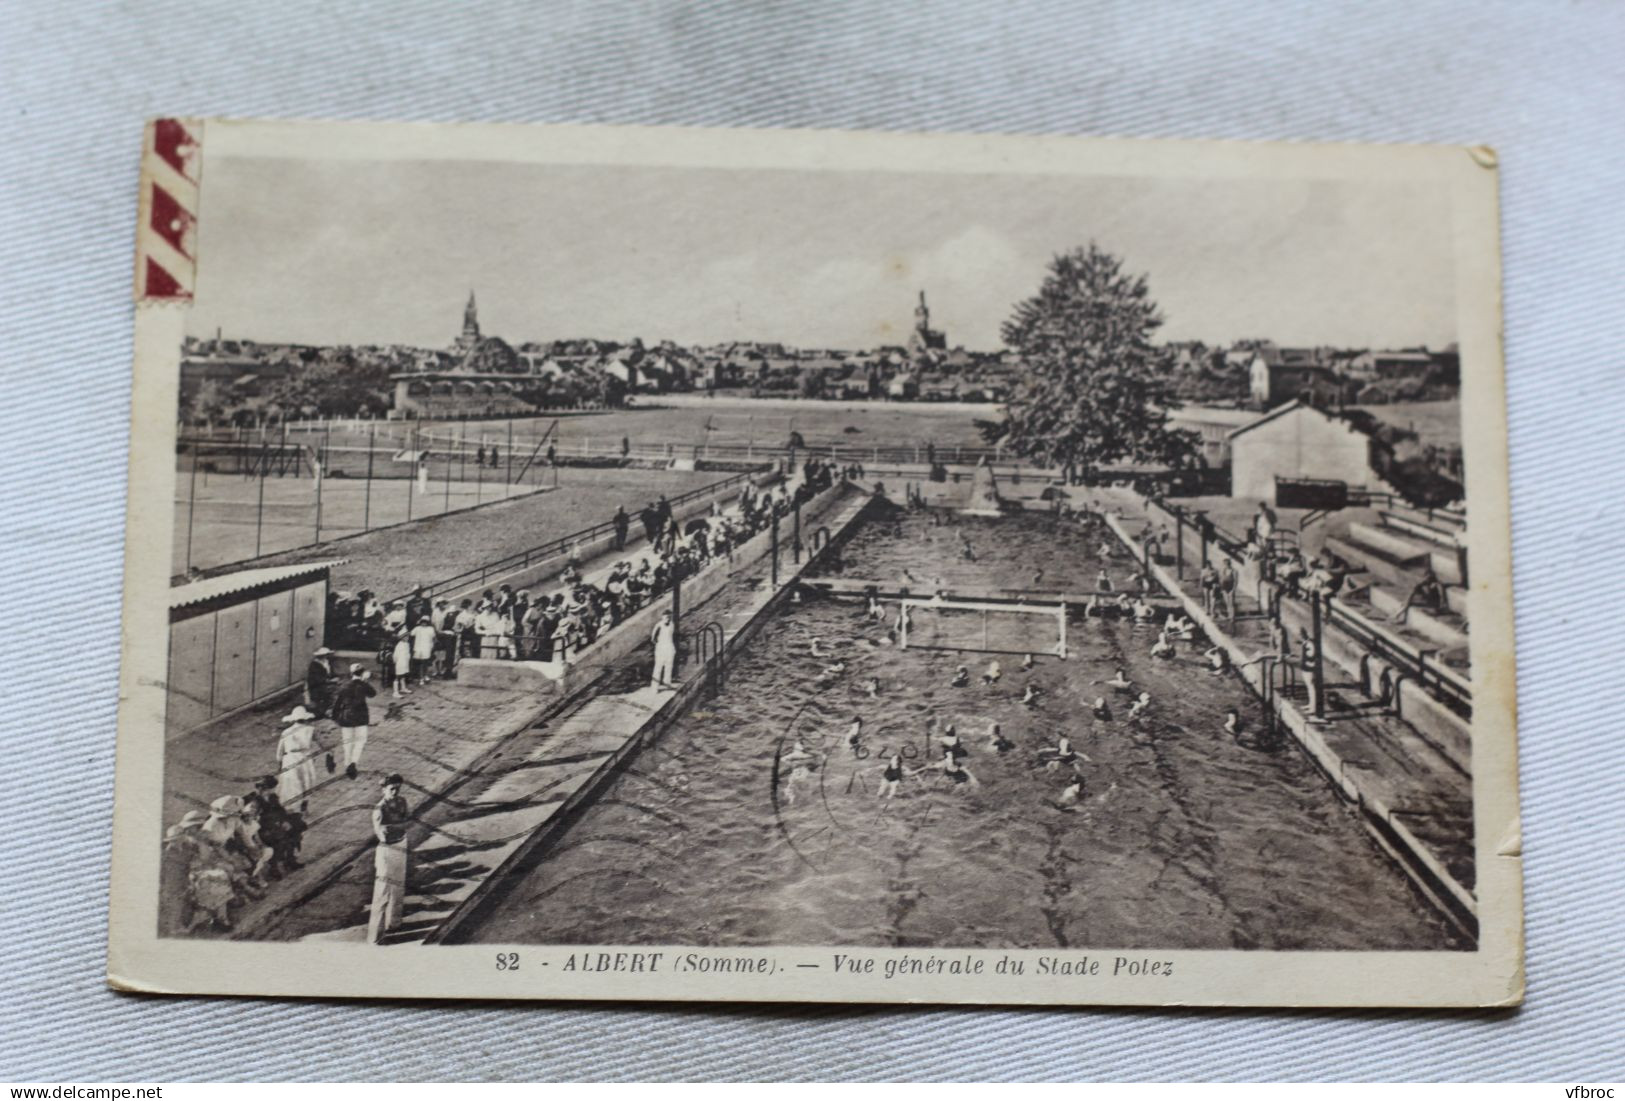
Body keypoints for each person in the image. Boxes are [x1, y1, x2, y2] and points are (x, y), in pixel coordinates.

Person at [368, 774, 411, 944]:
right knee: (383, 891)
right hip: (387, 850)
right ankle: (375, 936)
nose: (395, 791)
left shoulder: (402, 802)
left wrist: (397, 826)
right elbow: (384, 834)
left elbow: (409, 820)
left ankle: (394, 923)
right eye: (391, 789)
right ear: (384, 790)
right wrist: (400, 826)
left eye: (397, 788)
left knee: (399, 886)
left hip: (402, 844)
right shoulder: (379, 810)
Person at [332, 665, 377, 781]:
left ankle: (347, 763)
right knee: (360, 741)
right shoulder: (362, 685)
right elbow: (373, 693)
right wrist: (365, 681)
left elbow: (338, 702)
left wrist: (335, 716)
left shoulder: (345, 685)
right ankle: (353, 762)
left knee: (347, 742)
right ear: (362, 674)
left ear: (351, 674)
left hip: (346, 717)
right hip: (360, 717)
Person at [275, 705, 324, 813]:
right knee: (306, 781)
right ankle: (304, 805)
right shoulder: (311, 730)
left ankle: (289, 806)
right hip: (304, 758)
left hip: (290, 759)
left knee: (291, 783)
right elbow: (322, 743)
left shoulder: (286, 732)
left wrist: (279, 765)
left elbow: (279, 752)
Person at [650, 609, 677, 690]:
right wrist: (660, 645)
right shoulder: (658, 626)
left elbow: (672, 636)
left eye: (669, 617)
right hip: (661, 648)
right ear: (662, 617)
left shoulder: (672, 624)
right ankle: (654, 687)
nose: (668, 619)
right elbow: (653, 639)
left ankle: (667, 683)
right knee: (658, 667)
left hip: (670, 648)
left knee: (669, 666)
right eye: (666, 617)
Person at [304, 647, 335, 718]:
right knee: (318, 697)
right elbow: (316, 678)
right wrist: (328, 681)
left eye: (327, 655)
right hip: (315, 685)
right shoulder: (315, 664)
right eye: (325, 655)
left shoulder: (326, 662)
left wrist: (331, 678)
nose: (326, 656)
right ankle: (318, 713)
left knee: (328, 695)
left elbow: (329, 673)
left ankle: (325, 710)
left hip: (323, 683)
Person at [410, 616, 438, 685]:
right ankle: (421, 678)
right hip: (418, 648)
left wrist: (432, 646)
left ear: (428, 623)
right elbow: (411, 634)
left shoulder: (430, 629)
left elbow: (433, 638)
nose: (424, 624)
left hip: (427, 648)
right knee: (420, 664)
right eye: (422, 622)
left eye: (425, 622)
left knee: (425, 663)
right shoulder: (417, 628)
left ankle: (425, 675)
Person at [390, 631, 412, 698]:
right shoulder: (399, 645)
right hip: (400, 662)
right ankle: (395, 692)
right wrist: (396, 662)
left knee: (403, 675)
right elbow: (395, 655)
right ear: (401, 638)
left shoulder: (407, 644)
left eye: (407, 636)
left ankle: (403, 688)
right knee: (398, 676)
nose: (407, 638)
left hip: (405, 662)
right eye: (405, 637)